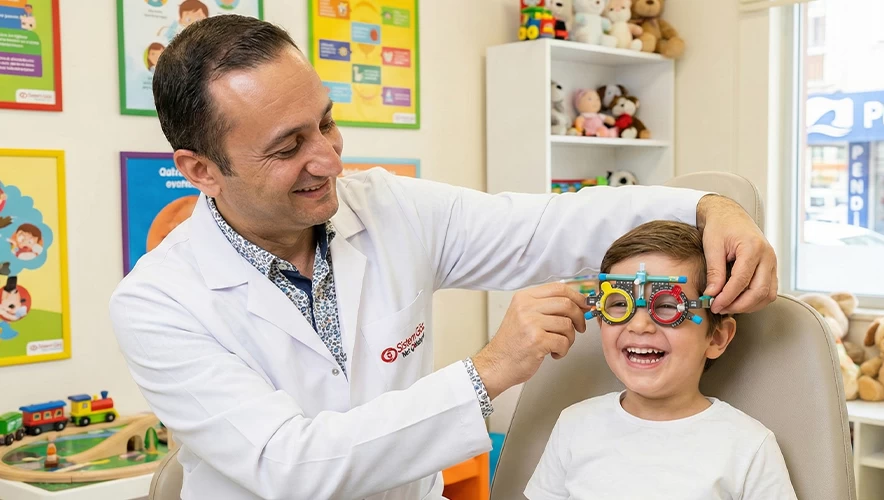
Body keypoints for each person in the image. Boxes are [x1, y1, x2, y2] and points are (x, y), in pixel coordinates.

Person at [108, 14, 779, 500]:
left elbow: (546, 226)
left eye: (327, 122)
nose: (329, 158)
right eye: (289, 147)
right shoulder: (160, 303)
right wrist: (489, 370)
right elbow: (291, 467)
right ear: (201, 169)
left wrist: (705, 209)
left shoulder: (387, 208)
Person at [524, 221, 796, 499]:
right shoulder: (574, 426)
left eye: (667, 305)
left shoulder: (749, 447)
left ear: (716, 338)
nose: (639, 326)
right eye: (620, 303)